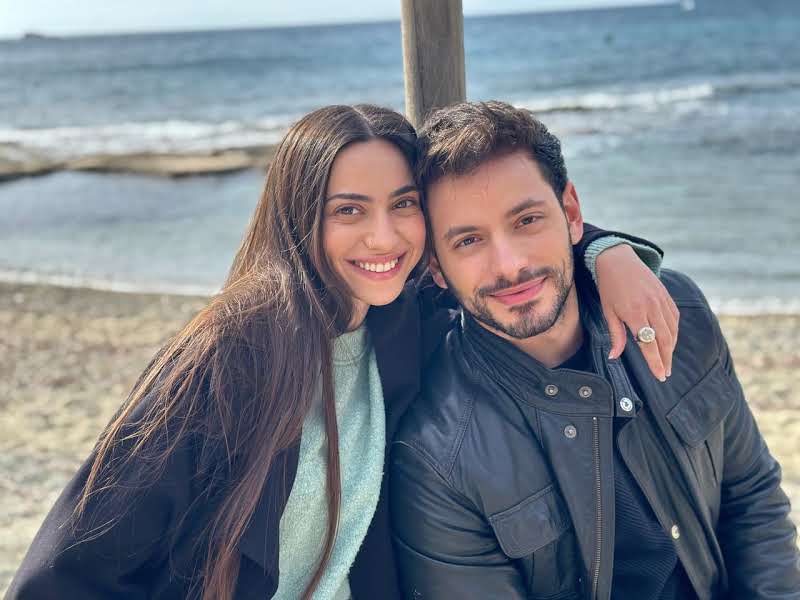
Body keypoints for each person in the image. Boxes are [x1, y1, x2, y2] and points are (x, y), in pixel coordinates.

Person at [6, 104, 675, 600]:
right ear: (300, 216)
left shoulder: (408, 319)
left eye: (403, 205)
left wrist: (607, 252)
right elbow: (63, 574)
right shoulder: (226, 361)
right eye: (348, 210)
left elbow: (515, 237)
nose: (383, 238)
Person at [391, 101, 800, 600]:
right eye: (469, 241)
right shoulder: (436, 457)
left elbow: (752, 500)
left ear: (571, 213)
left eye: (527, 220)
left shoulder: (674, 311)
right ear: (436, 267)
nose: (510, 264)